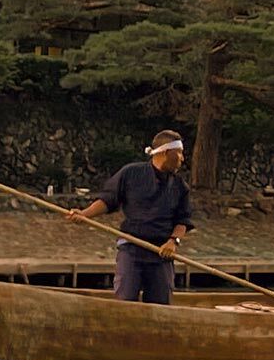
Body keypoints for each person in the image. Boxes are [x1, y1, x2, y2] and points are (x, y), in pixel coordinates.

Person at [76, 129, 194, 305]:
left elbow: (182, 220)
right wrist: (84, 214)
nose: (182, 159)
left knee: (160, 304)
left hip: (161, 253)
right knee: (125, 300)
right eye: (179, 153)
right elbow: (108, 200)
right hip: (131, 248)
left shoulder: (180, 186)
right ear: (165, 152)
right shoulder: (131, 173)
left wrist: (173, 242)